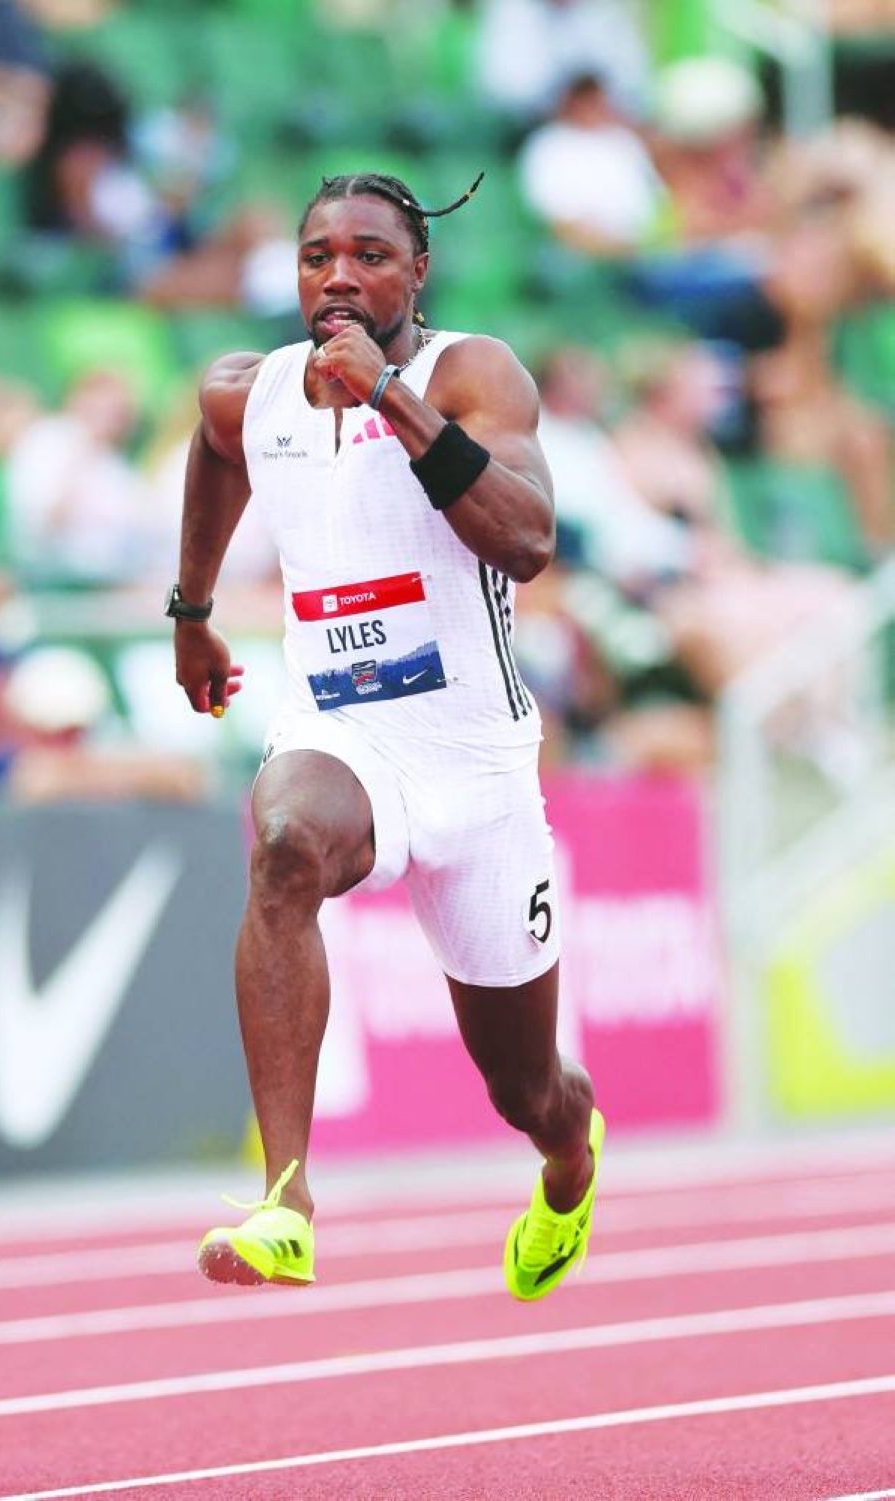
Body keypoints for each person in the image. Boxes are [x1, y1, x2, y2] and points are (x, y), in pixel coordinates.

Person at [169, 170, 604, 1301]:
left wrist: (391, 402)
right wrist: (193, 613)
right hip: (341, 729)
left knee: (524, 1089)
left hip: (476, 768)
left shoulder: (469, 372)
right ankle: (287, 1197)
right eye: (318, 256)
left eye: (369, 254)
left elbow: (526, 541)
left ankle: (569, 1151)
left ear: (418, 272)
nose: (340, 277)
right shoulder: (249, 392)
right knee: (283, 849)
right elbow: (218, 452)